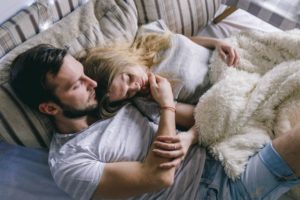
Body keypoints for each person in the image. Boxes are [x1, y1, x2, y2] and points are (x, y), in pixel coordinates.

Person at [10, 44, 300, 200]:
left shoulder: (111, 102)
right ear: (49, 107)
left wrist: (189, 134)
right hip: (213, 192)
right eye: (76, 85)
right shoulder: (70, 164)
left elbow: (201, 116)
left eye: (83, 72)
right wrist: (165, 105)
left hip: (223, 153)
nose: (91, 82)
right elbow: (159, 177)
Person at [77, 32, 239, 123]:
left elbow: (184, 40)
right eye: (127, 93)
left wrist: (216, 42)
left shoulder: (147, 36)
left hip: (227, 54)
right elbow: (200, 117)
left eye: (127, 78)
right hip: (229, 87)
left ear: (119, 60)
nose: (135, 87)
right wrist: (165, 101)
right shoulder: (148, 100)